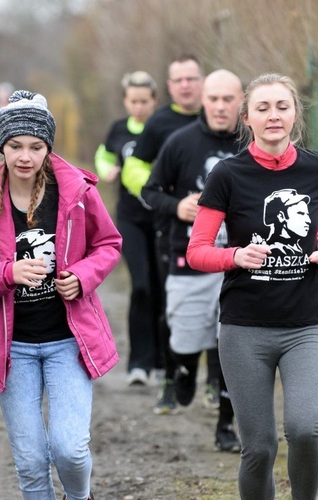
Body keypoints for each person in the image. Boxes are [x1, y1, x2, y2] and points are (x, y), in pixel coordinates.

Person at [0, 90, 121, 500]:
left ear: (47, 148)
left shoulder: (77, 192)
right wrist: (8, 273)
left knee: (70, 450)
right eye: (15, 146)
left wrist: (81, 275)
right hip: (12, 348)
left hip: (68, 341)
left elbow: (109, 245)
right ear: (2, 147)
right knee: (30, 463)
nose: (25, 156)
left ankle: (79, 496)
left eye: (35, 147)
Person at [186, 73, 318, 499]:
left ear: (295, 113)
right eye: (264, 108)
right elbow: (197, 250)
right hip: (244, 329)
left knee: (305, 429)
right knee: (259, 448)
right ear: (247, 117)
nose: (274, 115)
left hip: (305, 326)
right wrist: (234, 255)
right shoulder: (227, 175)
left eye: (282, 107)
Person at [142, 69, 243, 452]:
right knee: (184, 340)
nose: (220, 106)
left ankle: (225, 426)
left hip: (239, 263)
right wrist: (177, 206)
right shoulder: (179, 142)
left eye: (228, 99)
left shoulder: (252, 146)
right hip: (190, 261)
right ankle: (183, 369)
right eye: (213, 99)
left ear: (240, 101)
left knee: (231, 347)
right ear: (202, 99)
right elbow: (150, 191)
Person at [121, 54, 204, 413]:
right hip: (167, 228)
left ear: (202, 80)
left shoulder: (221, 118)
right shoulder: (160, 123)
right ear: (169, 87)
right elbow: (133, 170)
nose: (186, 85)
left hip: (221, 232)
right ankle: (163, 371)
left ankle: (217, 384)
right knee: (161, 297)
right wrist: (167, 201)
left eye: (191, 78)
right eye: (178, 79)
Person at [93, 70, 158, 386]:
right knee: (141, 285)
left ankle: (162, 360)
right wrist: (107, 170)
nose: (139, 107)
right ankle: (139, 363)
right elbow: (103, 156)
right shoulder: (118, 129)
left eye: (145, 101)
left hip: (162, 218)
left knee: (162, 287)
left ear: (154, 101)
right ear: (125, 100)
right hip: (130, 218)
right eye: (133, 101)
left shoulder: (162, 129)